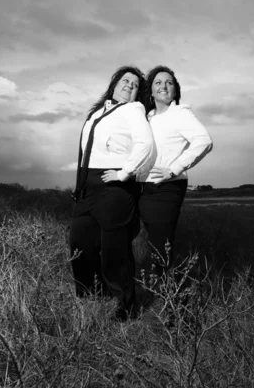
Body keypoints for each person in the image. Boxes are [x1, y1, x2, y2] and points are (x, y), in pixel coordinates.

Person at [69, 65, 155, 319]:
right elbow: (86, 151)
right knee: (80, 244)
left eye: (135, 85)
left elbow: (145, 144)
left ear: (138, 94)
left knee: (114, 250)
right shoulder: (97, 112)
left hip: (114, 185)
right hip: (88, 186)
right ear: (114, 83)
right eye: (125, 80)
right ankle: (91, 298)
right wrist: (80, 184)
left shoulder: (133, 109)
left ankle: (124, 309)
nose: (129, 85)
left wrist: (124, 172)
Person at [138, 65, 213, 268]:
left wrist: (173, 169)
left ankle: (170, 296)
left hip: (166, 188)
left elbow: (204, 141)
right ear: (151, 90)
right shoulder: (146, 117)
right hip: (141, 189)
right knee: (148, 242)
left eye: (169, 82)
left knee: (160, 246)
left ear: (175, 90)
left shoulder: (180, 113)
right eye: (158, 82)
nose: (164, 86)